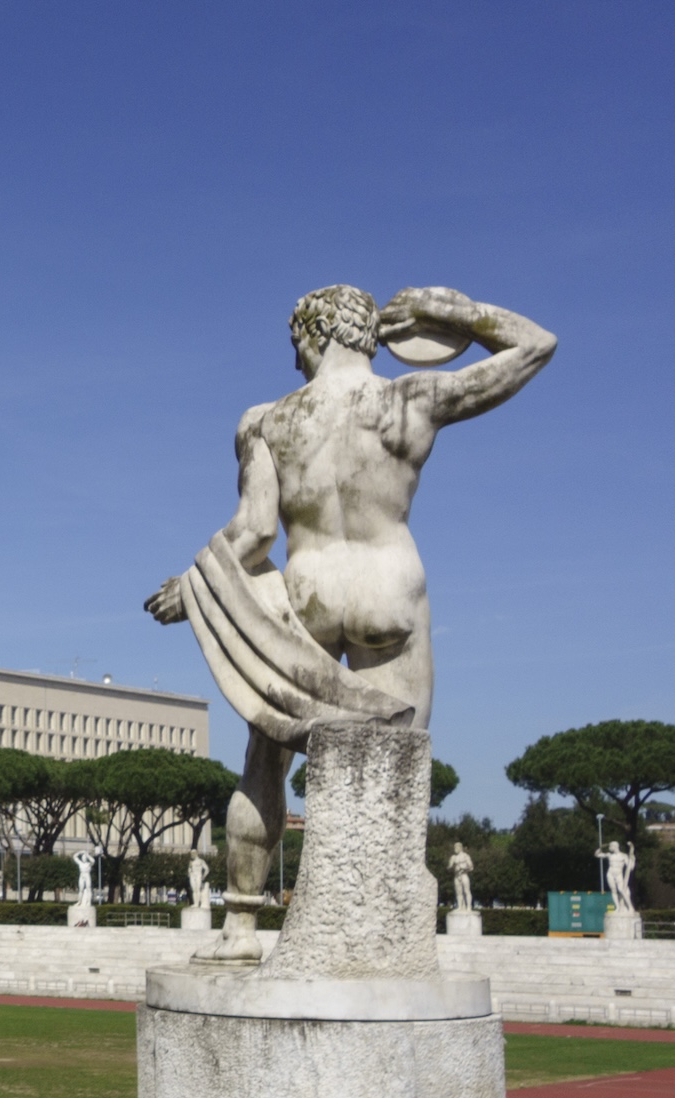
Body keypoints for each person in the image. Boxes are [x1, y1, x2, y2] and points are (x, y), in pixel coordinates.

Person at [147, 284, 556, 960]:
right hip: (388, 587)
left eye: (294, 344)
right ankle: (381, 933)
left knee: (262, 761)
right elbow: (534, 345)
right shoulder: (408, 400)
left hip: (307, 595)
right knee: (398, 765)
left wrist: (193, 586)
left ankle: (242, 927)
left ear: (315, 333)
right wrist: (455, 314)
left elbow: (252, 534)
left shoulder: (266, 421)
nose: (294, 360)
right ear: (368, 334)